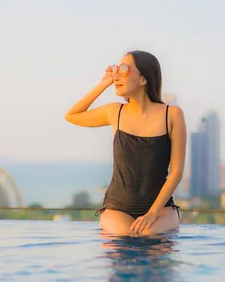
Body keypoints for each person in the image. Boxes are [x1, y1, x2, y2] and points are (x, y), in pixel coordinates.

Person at [64, 50, 187, 236]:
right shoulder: (115, 112)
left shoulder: (172, 115)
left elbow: (176, 172)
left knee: (149, 236)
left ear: (143, 79)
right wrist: (103, 84)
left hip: (161, 210)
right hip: (117, 208)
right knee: (126, 237)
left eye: (124, 69)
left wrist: (152, 213)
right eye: (116, 69)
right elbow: (72, 115)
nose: (117, 75)